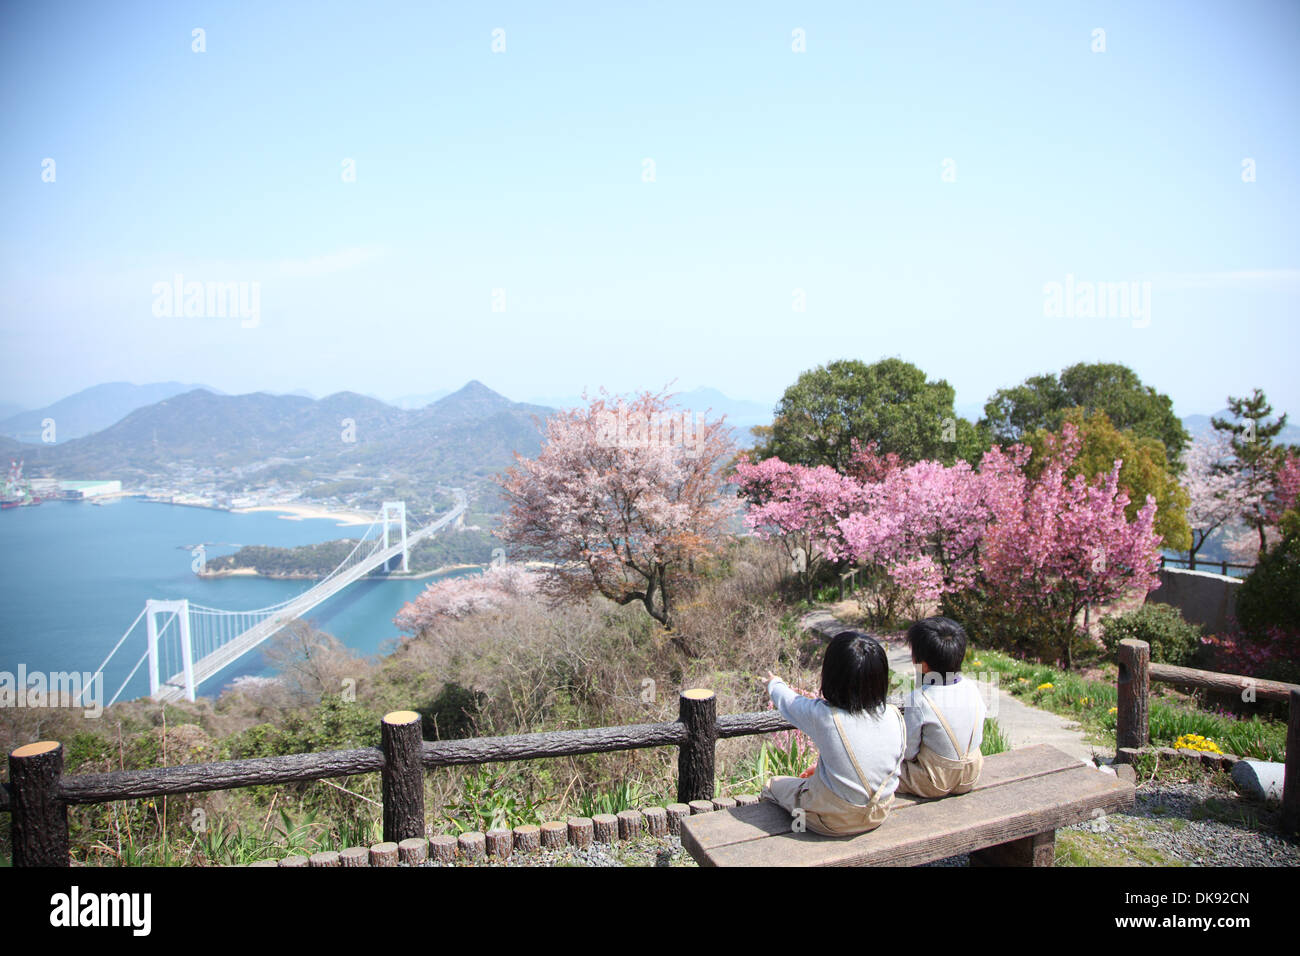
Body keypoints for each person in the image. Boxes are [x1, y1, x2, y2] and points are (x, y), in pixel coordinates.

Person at [758, 629, 906, 836]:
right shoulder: (894, 715)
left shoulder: (824, 716)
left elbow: (789, 701)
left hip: (833, 821)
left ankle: (783, 841)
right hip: (879, 813)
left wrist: (774, 682)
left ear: (831, 676)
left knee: (773, 785)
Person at [897, 616, 986, 798]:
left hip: (933, 781)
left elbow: (908, 752)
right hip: (970, 774)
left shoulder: (920, 700)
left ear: (923, 665)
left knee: (884, 774)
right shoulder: (972, 688)